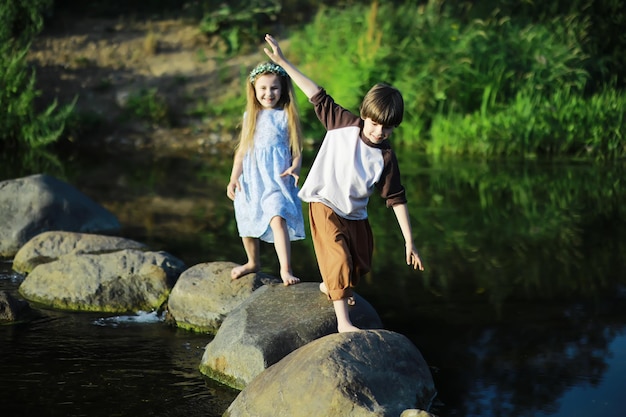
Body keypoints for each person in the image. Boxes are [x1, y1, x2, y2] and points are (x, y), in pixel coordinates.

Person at [263, 34, 424, 332]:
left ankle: (331, 285)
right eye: (375, 123)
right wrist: (283, 62)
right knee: (337, 257)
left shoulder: (386, 156)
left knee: (359, 263)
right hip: (323, 202)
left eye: (387, 128)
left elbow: (395, 198)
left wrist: (409, 240)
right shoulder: (343, 123)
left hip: (355, 214)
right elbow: (316, 95)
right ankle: (343, 323)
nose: (379, 132)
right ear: (364, 116)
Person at [226, 61, 305, 286]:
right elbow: (241, 152)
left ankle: (286, 269)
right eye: (263, 88)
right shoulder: (250, 116)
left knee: (277, 217)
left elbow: (297, 149)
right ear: (254, 90)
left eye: (274, 88)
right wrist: (233, 178)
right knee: (246, 217)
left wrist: (296, 167)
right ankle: (253, 262)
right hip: (252, 179)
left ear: (282, 89)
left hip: (277, 179)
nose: (268, 93)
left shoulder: (286, 115)